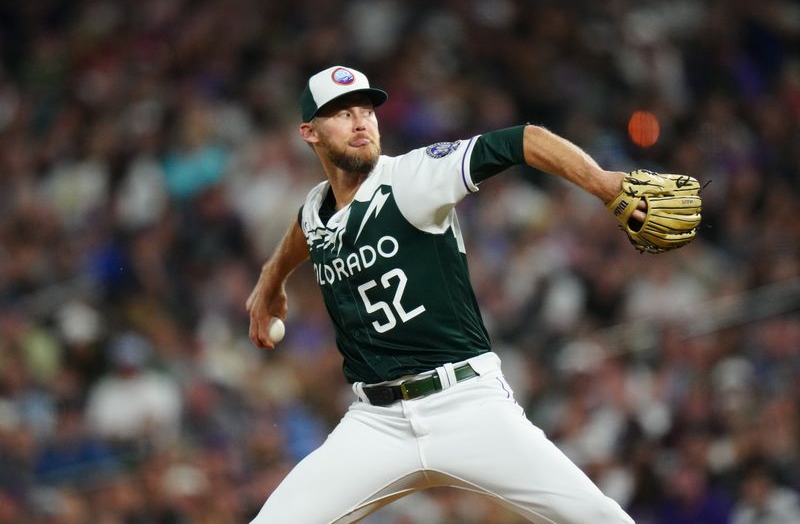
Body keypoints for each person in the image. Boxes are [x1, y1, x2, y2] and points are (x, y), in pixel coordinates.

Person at [246, 65, 639, 523]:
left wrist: (604, 183)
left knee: (600, 518)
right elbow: (305, 230)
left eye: (366, 110)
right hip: (376, 424)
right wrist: (269, 281)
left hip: (466, 403)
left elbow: (523, 140)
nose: (360, 122)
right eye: (341, 113)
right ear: (309, 132)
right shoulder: (317, 206)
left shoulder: (413, 177)